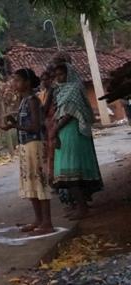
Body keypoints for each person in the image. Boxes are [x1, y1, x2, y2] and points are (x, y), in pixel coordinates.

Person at [5, 68, 55, 235]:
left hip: (34, 144)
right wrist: (15, 122)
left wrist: (15, 125)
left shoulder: (33, 100)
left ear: (27, 82)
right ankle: (38, 220)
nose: (14, 83)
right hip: (26, 145)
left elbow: (35, 126)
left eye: (17, 80)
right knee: (31, 182)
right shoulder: (23, 100)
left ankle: (47, 222)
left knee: (39, 181)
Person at [51, 63, 103, 219]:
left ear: (69, 74)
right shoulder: (60, 91)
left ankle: (82, 208)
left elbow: (69, 113)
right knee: (69, 173)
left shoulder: (74, 89)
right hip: (64, 132)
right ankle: (81, 206)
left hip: (73, 131)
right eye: (57, 75)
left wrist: (55, 129)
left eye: (61, 74)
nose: (59, 78)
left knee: (71, 172)